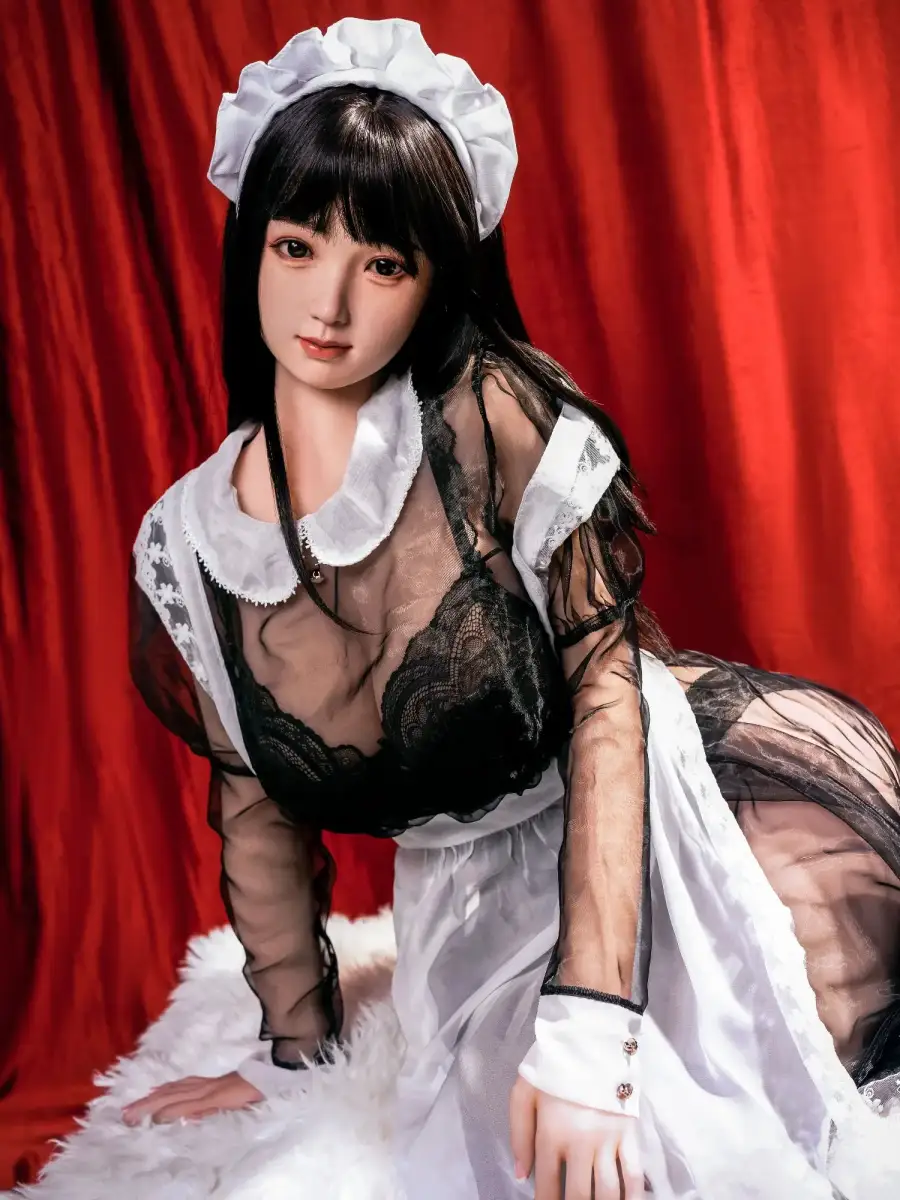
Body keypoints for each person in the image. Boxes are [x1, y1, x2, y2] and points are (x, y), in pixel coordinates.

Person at [122, 17, 900, 1200]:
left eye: (385, 264)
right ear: (252, 249)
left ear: (437, 282)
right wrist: (291, 1050)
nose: (330, 302)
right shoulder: (190, 544)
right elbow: (254, 802)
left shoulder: (498, 422)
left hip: (669, 808)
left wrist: (593, 1024)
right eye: (295, 246)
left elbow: (609, 699)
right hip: (472, 901)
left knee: (702, 1124)